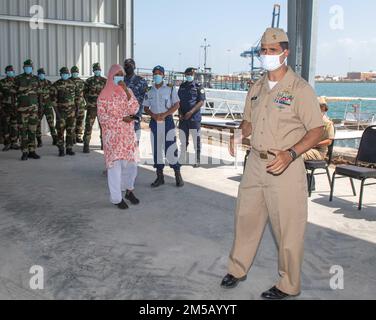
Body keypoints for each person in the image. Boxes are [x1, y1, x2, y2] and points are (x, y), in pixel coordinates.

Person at [221, 28, 324, 300]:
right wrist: (237, 132)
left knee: (288, 228)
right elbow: (249, 122)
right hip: (255, 163)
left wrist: (291, 153)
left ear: (285, 52)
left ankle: (289, 285)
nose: (266, 55)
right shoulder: (255, 87)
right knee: (246, 219)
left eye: (272, 50)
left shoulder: (299, 89)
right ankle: (238, 268)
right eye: (263, 50)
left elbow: (317, 131)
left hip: (286, 166)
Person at [97, 64, 140, 210]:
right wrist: (122, 120)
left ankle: (129, 190)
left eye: (122, 74)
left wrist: (127, 93)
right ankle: (116, 198)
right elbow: (103, 118)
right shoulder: (104, 95)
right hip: (113, 137)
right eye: (117, 74)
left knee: (131, 165)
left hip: (127, 136)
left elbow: (135, 109)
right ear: (111, 76)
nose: (120, 77)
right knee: (115, 168)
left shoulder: (128, 91)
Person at [143, 65, 184, 188]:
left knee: (170, 148)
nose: (157, 75)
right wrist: (153, 115)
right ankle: (159, 176)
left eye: (159, 73)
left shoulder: (170, 89)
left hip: (168, 122)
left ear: (163, 75)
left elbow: (177, 105)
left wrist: (165, 114)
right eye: (155, 73)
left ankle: (177, 174)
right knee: (157, 149)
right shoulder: (149, 91)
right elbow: (145, 107)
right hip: (155, 123)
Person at [178, 67, 206, 168]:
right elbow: (178, 101)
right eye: (188, 74)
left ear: (193, 75)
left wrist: (191, 112)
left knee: (196, 138)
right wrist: (180, 113)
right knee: (183, 138)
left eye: (191, 74)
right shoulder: (182, 86)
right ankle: (182, 157)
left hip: (194, 117)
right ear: (185, 75)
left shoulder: (198, 86)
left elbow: (201, 101)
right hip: (183, 118)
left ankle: (197, 159)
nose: (189, 75)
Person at [14, 59, 42, 161]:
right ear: (23, 68)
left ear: (32, 68)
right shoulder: (18, 79)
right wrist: (15, 107)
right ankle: (24, 152)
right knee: (23, 132)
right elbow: (13, 94)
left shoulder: (36, 79)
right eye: (26, 67)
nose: (28, 68)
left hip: (33, 110)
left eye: (29, 67)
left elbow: (39, 94)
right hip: (22, 110)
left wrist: (40, 107)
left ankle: (32, 151)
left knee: (32, 131)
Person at [51, 67, 80, 157]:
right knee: (60, 132)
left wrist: (77, 110)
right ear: (60, 74)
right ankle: (61, 149)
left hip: (71, 112)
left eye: (66, 73)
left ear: (68, 74)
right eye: (63, 73)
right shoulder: (56, 85)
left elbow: (77, 98)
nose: (65, 75)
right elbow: (53, 101)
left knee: (70, 131)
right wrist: (57, 113)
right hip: (61, 113)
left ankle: (69, 148)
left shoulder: (73, 84)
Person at [83, 63, 107, 153]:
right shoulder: (89, 81)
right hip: (91, 108)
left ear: (100, 70)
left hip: (102, 108)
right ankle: (86, 145)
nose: (97, 71)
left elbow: (108, 93)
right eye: (96, 69)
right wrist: (88, 102)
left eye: (98, 69)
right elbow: (84, 93)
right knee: (88, 126)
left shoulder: (105, 81)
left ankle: (103, 144)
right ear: (93, 71)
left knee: (103, 127)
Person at [303, 97, 335, 161]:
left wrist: (314, 144)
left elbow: (329, 141)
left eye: (321, 107)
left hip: (319, 151)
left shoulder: (328, 123)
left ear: (324, 109)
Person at [123, 58, 148, 141]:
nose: (127, 67)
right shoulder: (120, 80)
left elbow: (143, 99)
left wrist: (137, 115)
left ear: (134, 67)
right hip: (122, 116)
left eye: (130, 66)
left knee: (134, 142)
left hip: (135, 115)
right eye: (126, 66)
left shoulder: (141, 81)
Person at [36, 68, 58, 147]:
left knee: (51, 123)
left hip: (48, 107)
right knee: (37, 124)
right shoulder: (35, 83)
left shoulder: (48, 83)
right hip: (39, 107)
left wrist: (53, 103)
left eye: (43, 73)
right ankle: (39, 140)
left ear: (44, 74)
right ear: (38, 74)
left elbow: (53, 94)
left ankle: (55, 139)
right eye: (40, 74)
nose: (41, 75)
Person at [0, 65, 19, 151]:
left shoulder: (17, 82)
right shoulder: (2, 83)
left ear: (14, 72)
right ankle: (7, 143)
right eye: (8, 71)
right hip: (5, 109)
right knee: (5, 126)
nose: (10, 72)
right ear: (6, 72)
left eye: (11, 71)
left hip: (15, 108)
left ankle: (14, 143)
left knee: (14, 126)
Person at [70, 66, 86, 144]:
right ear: (71, 72)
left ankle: (78, 136)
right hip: (72, 106)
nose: (75, 73)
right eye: (73, 72)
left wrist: (86, 103)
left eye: (76, 72)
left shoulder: (81, 82)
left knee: (80, 121)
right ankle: (72, 137)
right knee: (72, 121)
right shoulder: (68, 81)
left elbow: (85, 93)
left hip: (81, 105)